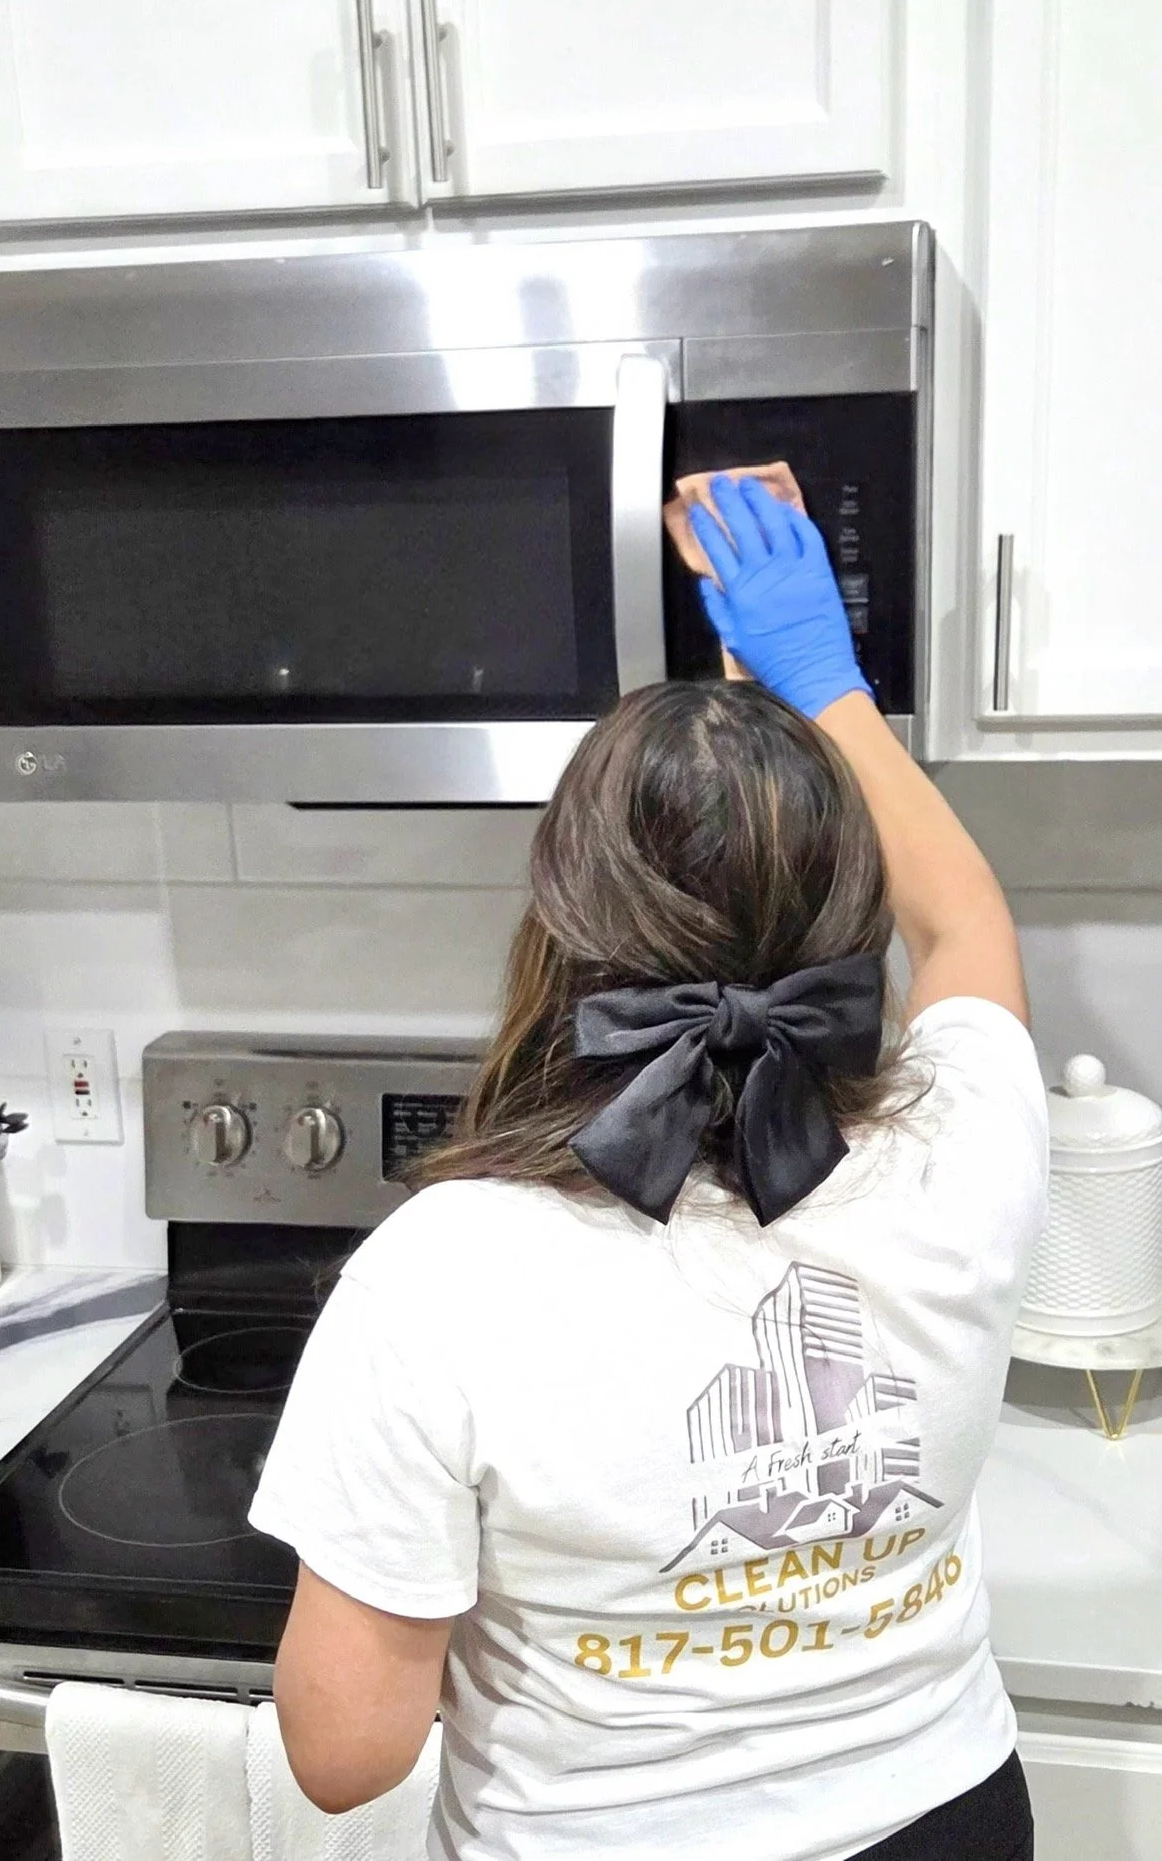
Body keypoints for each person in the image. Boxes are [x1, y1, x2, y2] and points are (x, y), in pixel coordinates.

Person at [250, 473, 1048, 1861]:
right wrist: (818, 677)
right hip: (946, 1823)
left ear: (561, 930)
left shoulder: (442, 1274)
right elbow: (965, 917)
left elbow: (343, 1758)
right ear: (848, 927)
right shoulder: (963, 1141)